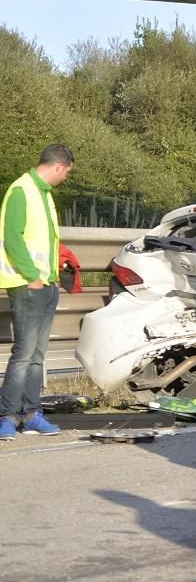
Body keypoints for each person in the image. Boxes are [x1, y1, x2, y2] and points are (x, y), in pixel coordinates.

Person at [0, 143, 74, 439]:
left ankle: (31, 414)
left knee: (37, 355)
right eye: (67, 173)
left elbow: (44, 242)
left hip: (44, 285)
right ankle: (7, 415)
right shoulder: (22, 190)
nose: (65, 178)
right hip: (28, 286)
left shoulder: (42, 194)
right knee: (24, 354)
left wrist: (52, 277)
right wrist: (31, 276)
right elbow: (11, 237)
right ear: (58, 167)